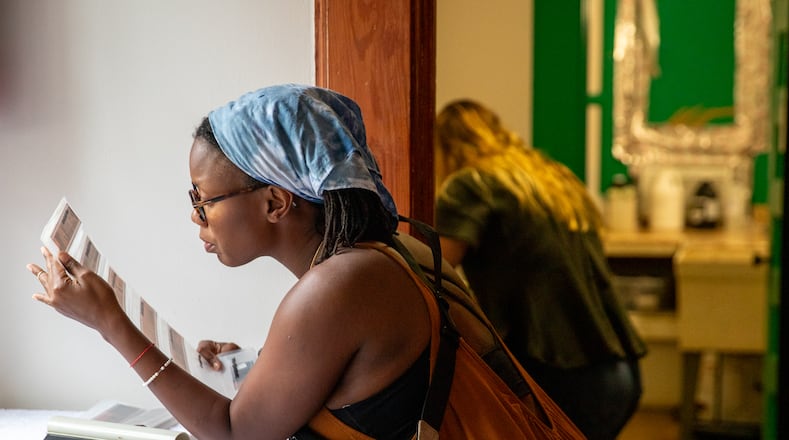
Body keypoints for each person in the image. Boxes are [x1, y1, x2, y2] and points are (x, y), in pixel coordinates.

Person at [27, 85, 583, 439]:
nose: (196, 219)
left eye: (203, 201)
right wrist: (255, 360)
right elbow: (367, 383)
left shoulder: (337, 288)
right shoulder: (392, 253)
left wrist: (112, 325)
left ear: (274, 202)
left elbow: (235, 435)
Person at [433, 99, 648, 440]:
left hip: (562, 375)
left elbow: (435, 267)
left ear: (444, 148)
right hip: (617, 370)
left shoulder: (470, 184)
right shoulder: (550, 178)